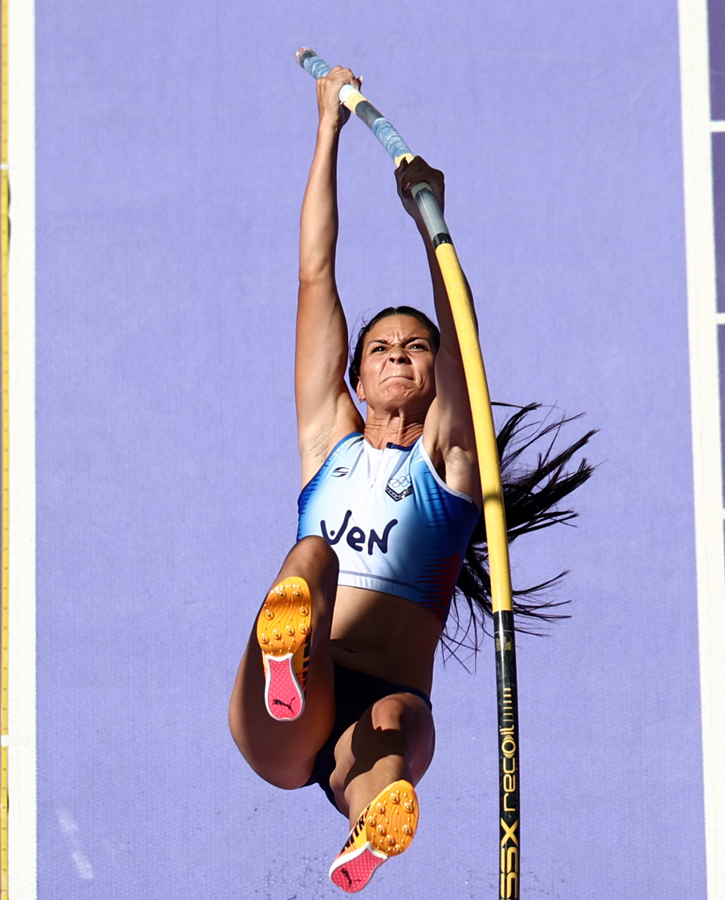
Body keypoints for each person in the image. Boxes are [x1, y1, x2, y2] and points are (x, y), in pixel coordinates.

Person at [228, 65, 593, 894]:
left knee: (404, 724)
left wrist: (435, 231)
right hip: (289, 700)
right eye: (383, 348)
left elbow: (462, 339)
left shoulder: (452, 465)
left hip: (370, 710)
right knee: (313, 557)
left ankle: (369, 825)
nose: (399, 354)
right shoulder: (330, 444)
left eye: (416, 348)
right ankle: (285, 653)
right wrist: (326, 131)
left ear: (435, 376)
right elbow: (315, 278)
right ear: (356, 380)